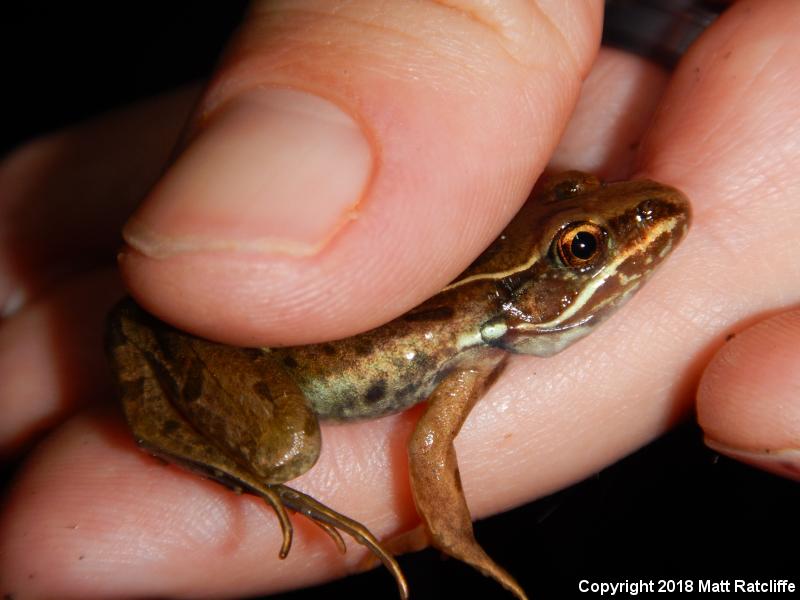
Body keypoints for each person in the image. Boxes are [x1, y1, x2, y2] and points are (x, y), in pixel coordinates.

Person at [1, 1, 798, 597]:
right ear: (537, 283)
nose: (637, 227)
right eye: (583, 247)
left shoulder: (489, 333)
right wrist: (456, 537)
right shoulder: (478, 342)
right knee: (288, 452)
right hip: (268, 360)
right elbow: (428, 447)